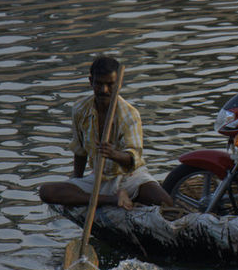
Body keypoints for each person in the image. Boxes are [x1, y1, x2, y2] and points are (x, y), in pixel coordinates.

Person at [40, 56, 173, 210]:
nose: (104, 90)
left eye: (110, 85)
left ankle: (117, 197)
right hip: (99, 179)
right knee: (46, 191)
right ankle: (111, 200)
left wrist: (113, 154)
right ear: (91, 82)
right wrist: (76, 181)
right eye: (99, 84)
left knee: (166, 203)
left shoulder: (129, 114)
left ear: (119, 84)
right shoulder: (80, 109)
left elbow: (133, 158)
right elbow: (80, 151)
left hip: (129, 177)